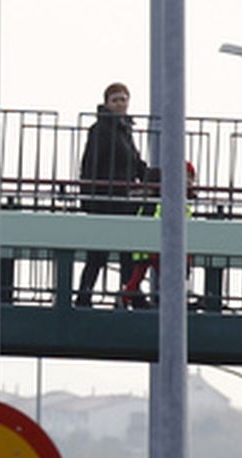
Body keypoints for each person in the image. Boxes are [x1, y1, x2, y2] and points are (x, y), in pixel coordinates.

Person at [75, 82, 147, 308]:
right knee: (99, 253)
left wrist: (161, 178)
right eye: (115, 99)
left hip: (122, 201)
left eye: (124, 99)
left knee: (125, 251)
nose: (120, 103)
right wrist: (89, 197)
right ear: (106, 103)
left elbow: (136, 164)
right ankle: (86, 297)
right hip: (106, 201)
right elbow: (91, 164)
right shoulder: (101, 130)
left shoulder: (124, 130)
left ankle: (129, 295)